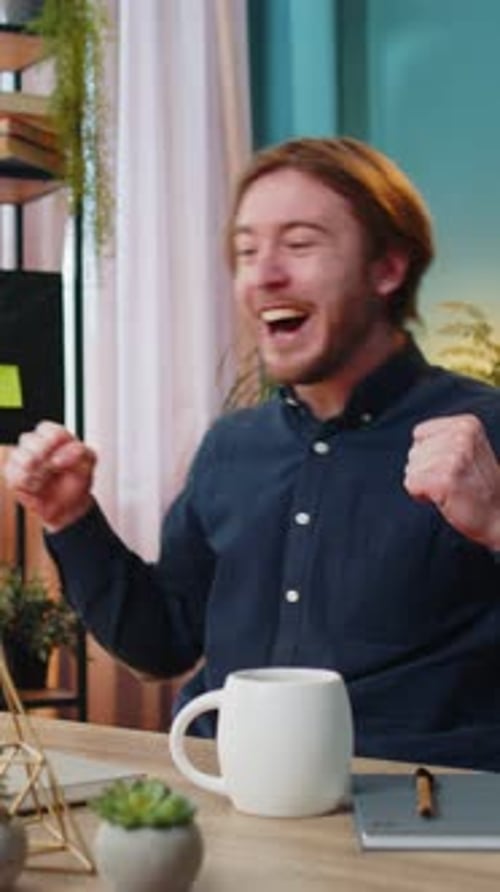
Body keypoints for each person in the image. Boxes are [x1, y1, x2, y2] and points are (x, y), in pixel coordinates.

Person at [5, 137, 500, 769]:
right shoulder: (231, 447)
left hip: (421, 808)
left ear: (387, 269)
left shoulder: (484, 434)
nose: (264, 273)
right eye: (246, 250)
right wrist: (70, 518)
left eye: (299, 244)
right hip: (227, 792)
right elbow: (162, 644)